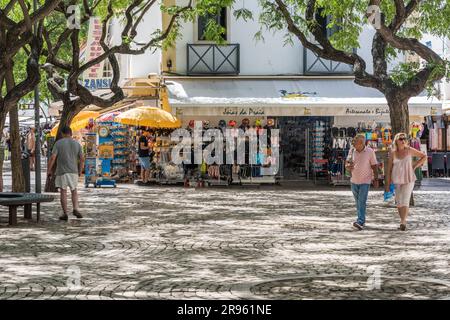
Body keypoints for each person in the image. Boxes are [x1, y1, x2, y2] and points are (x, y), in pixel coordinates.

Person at [385, 132, 426, 231]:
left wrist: (415, 166)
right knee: (399, 201)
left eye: (404, 139)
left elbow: (424, 156)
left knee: (405, 200)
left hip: (408, 178)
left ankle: (403, 221)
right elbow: (389, 168)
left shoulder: (409, 150)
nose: (403, 140)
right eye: (401, 139)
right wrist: (387, 183)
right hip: (396, 179)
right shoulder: (393, 152)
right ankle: (401, 220)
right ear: (396, 141)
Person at [47, 126, 84, 220]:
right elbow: (82, 159)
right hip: (73, 171)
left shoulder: (58, 143)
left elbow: (53, 158)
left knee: (63, 191)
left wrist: (49, 170)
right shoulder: (77, 144)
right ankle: (75, 208)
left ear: (63, 133)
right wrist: (80, 170)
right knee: (74, 190)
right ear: (71, 133)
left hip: (62, 171)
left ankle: (65, 213)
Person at [345, 134, 379, 230]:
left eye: (355, 142)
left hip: (365, 181)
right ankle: (360, 219)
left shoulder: (370, 151)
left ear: (361, 143)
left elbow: (374, 166)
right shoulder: (352, 150)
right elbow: (347, 163)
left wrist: (376, 179)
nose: (353, 144)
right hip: (354, 180)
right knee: (358, 202)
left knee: (361, 201)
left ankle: (360, 220)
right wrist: (347, 166)